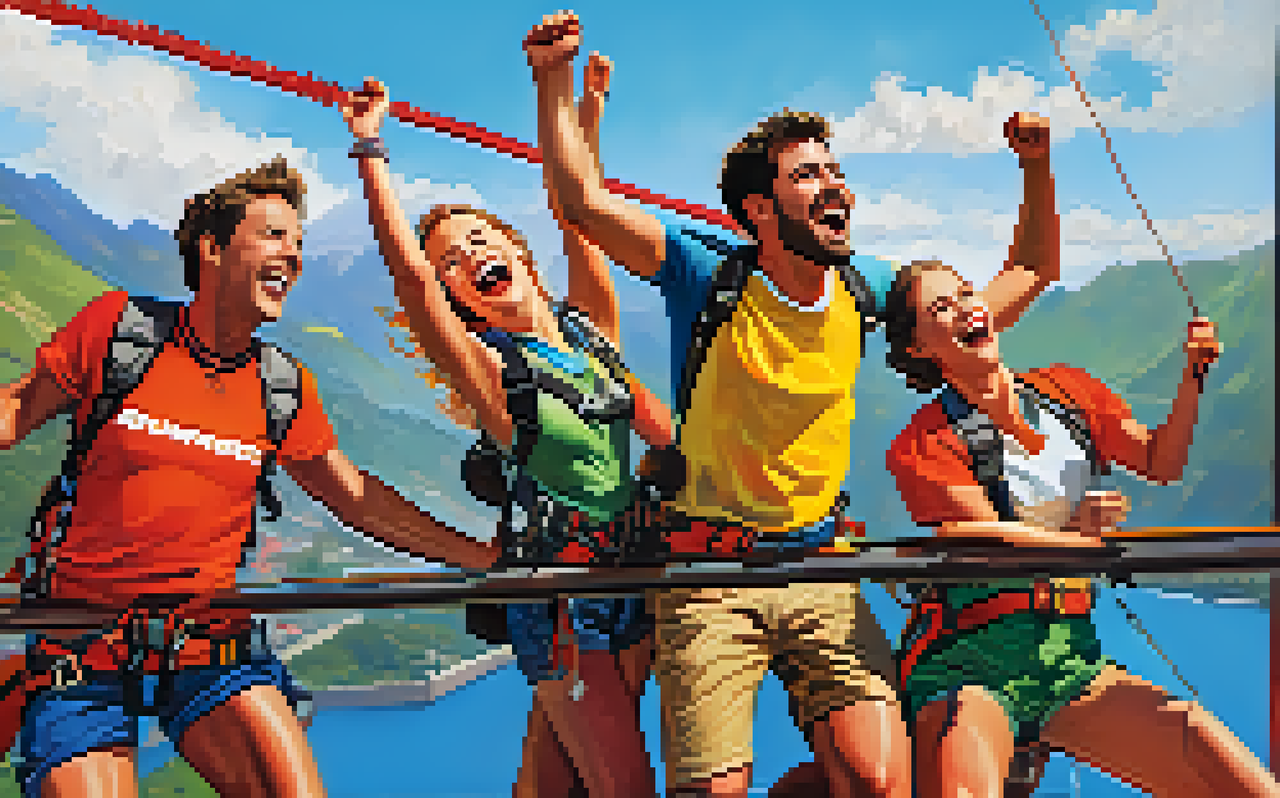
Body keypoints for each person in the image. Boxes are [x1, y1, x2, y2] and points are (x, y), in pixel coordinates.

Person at [0, 157, 498, 798]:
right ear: (212, 249)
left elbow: (356, 497)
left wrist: (485, 559)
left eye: (299, 244)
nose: (293, 257)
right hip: (81, 648)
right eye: (272, 236)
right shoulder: (121, 332)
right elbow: (9, 414)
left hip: (207, 645)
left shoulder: (282, 386)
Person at [524, 11, 1068, 797]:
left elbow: (1026, 271)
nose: (835, 184)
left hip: (822, 567)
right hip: (707, 578)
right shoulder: (705, 276)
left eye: (833, 170)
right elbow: (580, 201)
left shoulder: (865, 287)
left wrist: (1037, 166)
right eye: (807, 175)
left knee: (883, 783)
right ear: (759, 211)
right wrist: (552, 78)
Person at [338, 53, 672, 797]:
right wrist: (369, 150)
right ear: (458, 297)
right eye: (452, 261)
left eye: (480, 240)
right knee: (626, 787)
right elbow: (411, 283)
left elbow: (578, 211)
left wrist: (587, 114)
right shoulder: (495, 374)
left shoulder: (590, 337)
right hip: (559, 602)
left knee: (550, 786)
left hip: (631, 579)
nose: (469, 257)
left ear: (519, 252)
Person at [882, 258, 1279, 798]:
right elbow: (977, 539)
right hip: (968, 658)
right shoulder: (922, 442)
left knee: (1220, 763)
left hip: (1067, 656)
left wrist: (1194, 376)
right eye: (939, 308)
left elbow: (1160, 461)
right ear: (919, 350)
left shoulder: (1067, 394)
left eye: (965, 293)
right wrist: (1076, 534)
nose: (963, 308)